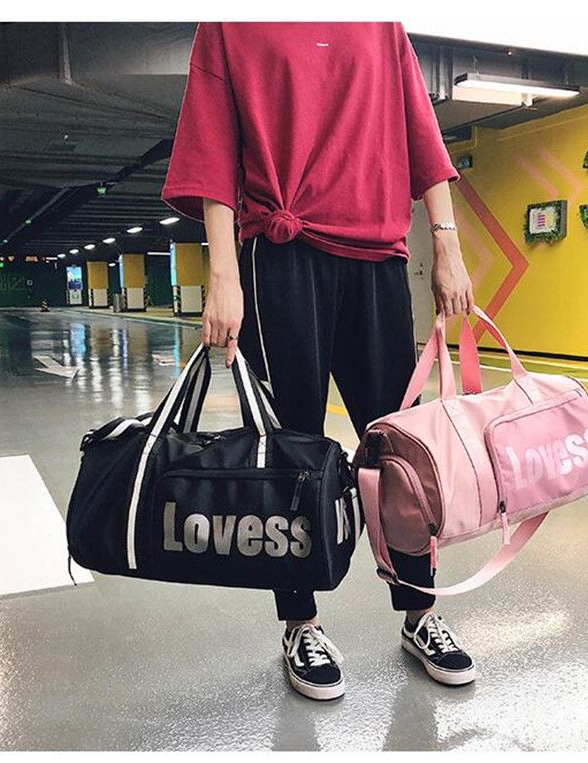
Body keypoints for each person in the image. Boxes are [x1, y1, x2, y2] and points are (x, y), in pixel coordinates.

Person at [161, 21, 476, 701]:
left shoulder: (381, 25)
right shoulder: (229, 26)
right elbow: (212, 152)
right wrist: (223, 274)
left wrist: (447, 246)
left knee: (402, 453)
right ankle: (300, 622)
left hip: (377, 256)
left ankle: (420, 612)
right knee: (291, 453)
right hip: (281, 255)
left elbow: (422, 137)